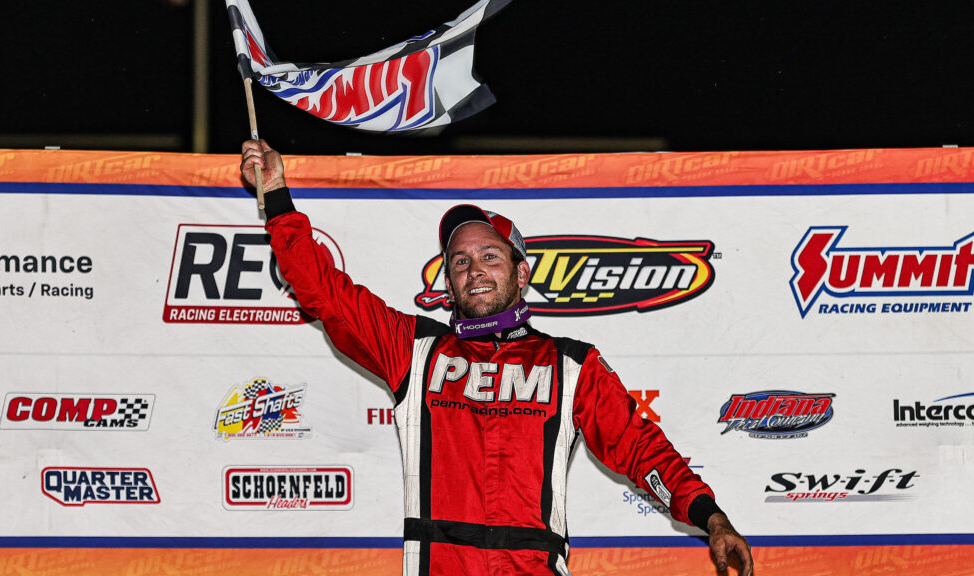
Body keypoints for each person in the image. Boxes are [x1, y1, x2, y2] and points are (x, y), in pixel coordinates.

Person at [240, 140, 754, 576]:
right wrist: (278, 197)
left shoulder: (569, 365)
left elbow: (640, 448)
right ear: (448, 282)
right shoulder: (414, 350)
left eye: (490, 255)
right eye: (460, 261)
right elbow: (324, 292)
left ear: (521, 273)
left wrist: (710, 516)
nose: (474, 269)